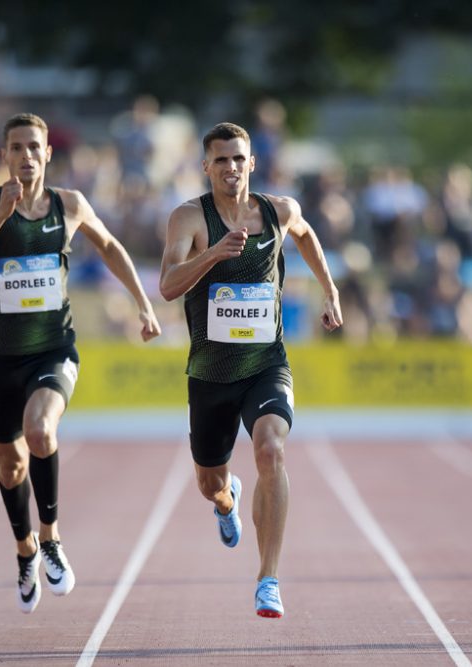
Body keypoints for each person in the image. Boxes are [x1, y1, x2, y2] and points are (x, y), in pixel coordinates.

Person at [0, 113, 161, 614]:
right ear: (5, 155)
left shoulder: (70, 205)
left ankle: (50, 537)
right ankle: (24, 550)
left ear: (48, 154)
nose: (25, 155)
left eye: (34, 147)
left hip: (52, 348)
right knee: (10, 463)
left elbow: (109, 246)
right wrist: (1, 216)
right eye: (16, 147)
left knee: (41, 430)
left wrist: (144, 302)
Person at [159, 122, 342, 618]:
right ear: (206, 166)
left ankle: (268, 579)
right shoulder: (188, 218)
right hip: (210, 374)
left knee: (271, 450)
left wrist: (330, 289)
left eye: (239, 159)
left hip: (266, 364)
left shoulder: (278, 210)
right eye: (221, 160)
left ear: (252, 163)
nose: (231, 168)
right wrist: (214, 253)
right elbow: (168, 285)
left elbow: (305, 236)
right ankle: (226, 501)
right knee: (209, 483)